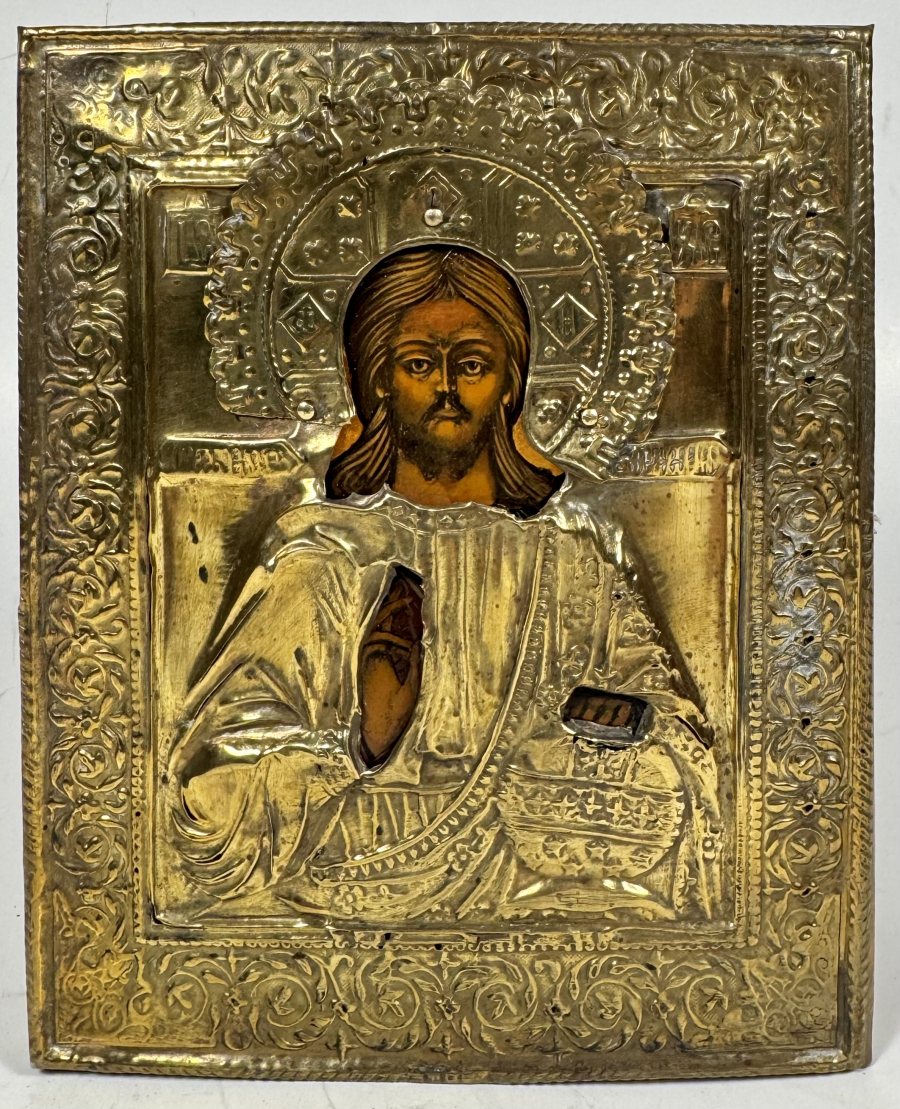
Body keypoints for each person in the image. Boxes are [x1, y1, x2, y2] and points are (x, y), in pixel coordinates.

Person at [166, 246, 721, 925]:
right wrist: (359, 747)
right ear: (377, 380)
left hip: (547, 894)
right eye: (420, 365)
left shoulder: (571, 560)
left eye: (474, 365)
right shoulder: (326, 557)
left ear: (512, 384)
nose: (448, 389)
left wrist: (624, 723)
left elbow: (692, 752)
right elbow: (205, 795)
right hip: (350, 896)